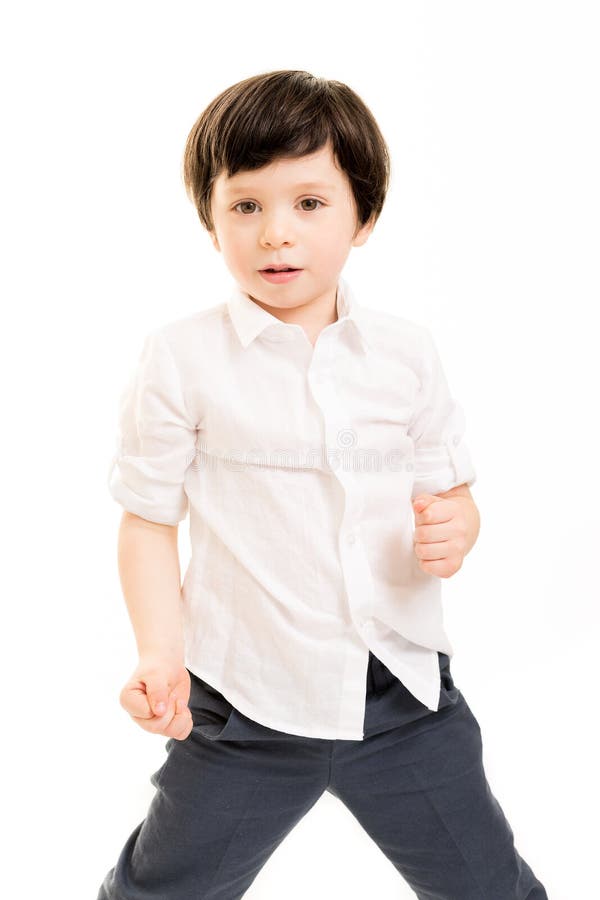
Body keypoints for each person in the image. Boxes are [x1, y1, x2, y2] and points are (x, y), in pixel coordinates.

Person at [97, 69, 548, 899]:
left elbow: (448, 489)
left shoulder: (406, 354)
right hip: (244, 706)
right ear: (210, 219)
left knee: (490, 886)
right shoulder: (181, 357)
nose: (276, 234)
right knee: (160, 891)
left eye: (309, 203)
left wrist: (458, 524)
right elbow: (148, 519)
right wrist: (160, 654)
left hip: (403, 700)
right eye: (246, 206)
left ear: (363, 216)